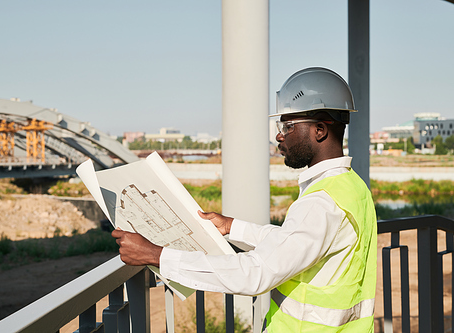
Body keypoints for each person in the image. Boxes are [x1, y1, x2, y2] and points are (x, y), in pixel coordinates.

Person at [112, 67, 377, 332]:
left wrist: (157, 255)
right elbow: (294, 243)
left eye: (287, 126)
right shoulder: (351, 187)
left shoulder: (320, 202)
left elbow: (256, 272)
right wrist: (232, 227)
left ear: (319, 130)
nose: (279, 135)